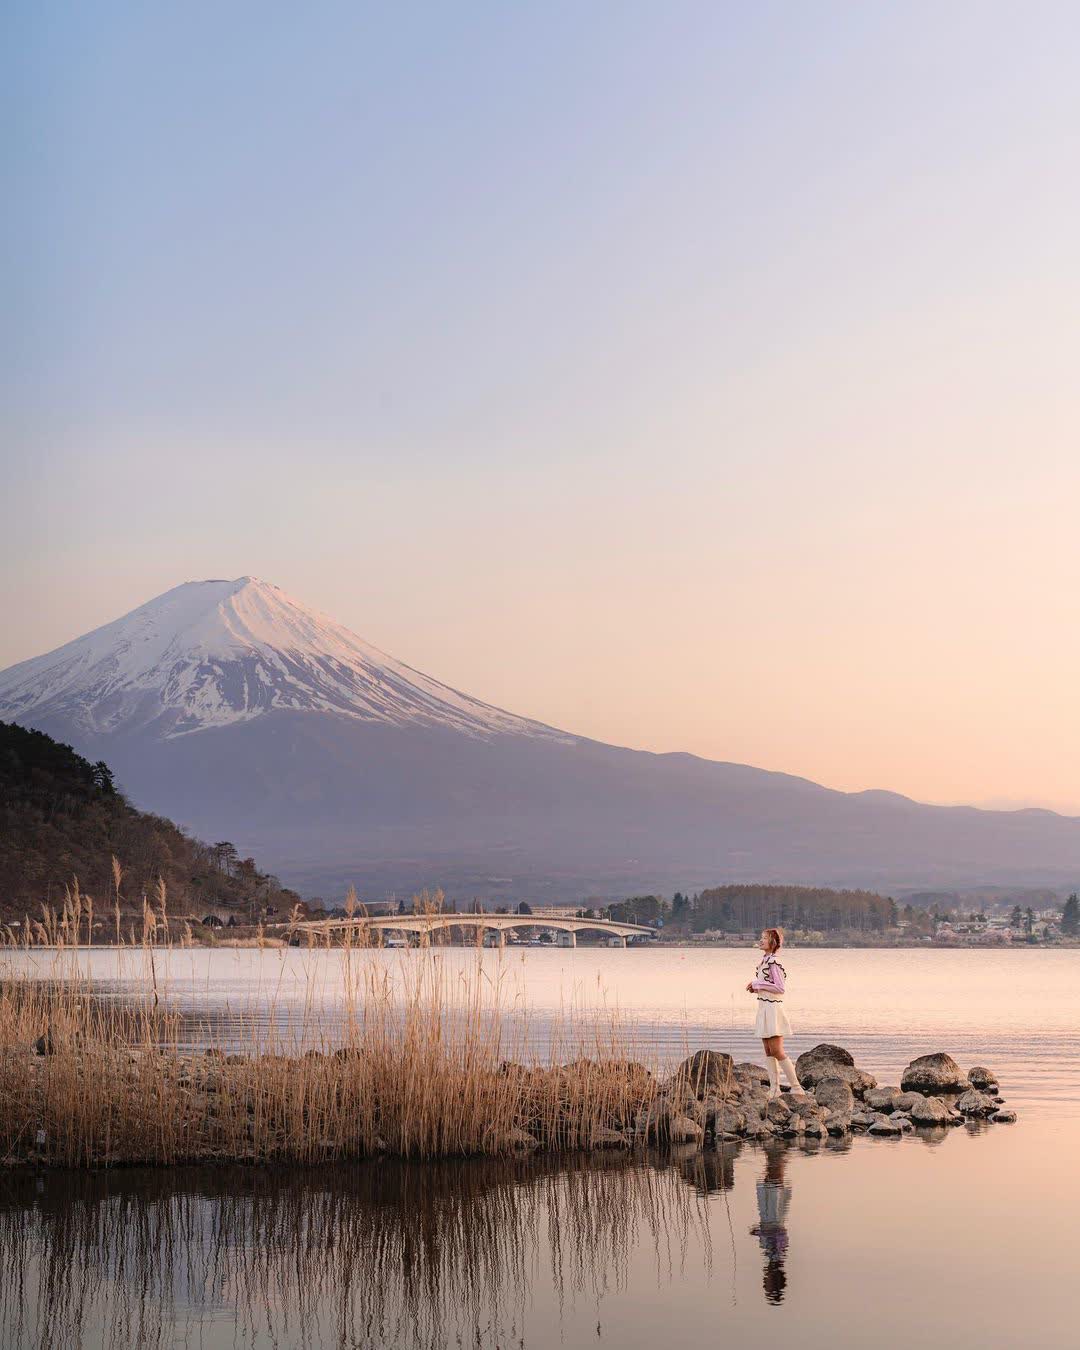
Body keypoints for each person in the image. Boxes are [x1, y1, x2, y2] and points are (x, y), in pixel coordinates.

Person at [746, 926, 805, 1100]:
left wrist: (757, 985)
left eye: (764, 938)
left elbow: (779, 988)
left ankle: (796, 1088)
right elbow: (767, 985)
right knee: (768, 1050)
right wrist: (755, 988)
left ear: (772, 942)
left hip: (773, 1009)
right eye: (761, 937)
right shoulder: (764, 961)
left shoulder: (774, 962)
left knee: (777, 1050)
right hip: (764, 1007)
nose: (760, 940)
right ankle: (774, 1089)